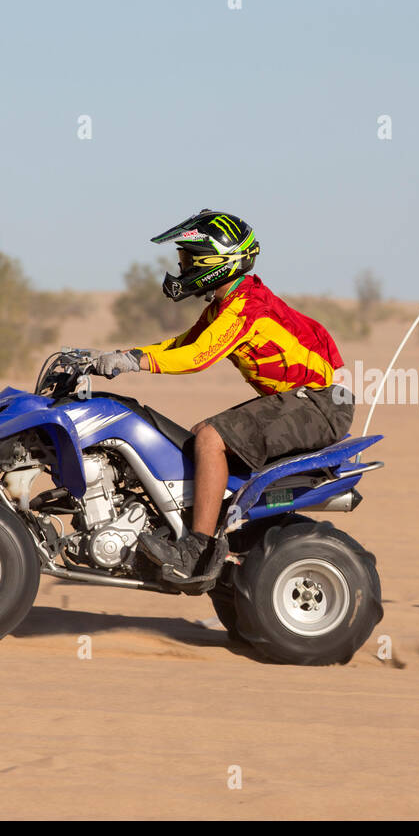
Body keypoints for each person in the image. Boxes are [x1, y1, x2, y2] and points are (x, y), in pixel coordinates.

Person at [90, 210, 354, 580]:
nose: (181, 267)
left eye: (188, 260)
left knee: (211, 439)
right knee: (203, 433)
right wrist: (123, 355)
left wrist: (134, 361)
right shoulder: (227, 303)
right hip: (305, 398)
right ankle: (199, 522)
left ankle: (196, 549)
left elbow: (197, 356)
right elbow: (185, 342)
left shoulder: (246, 308)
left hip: (321, 403)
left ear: (215, 263)